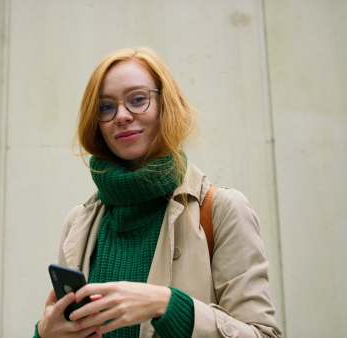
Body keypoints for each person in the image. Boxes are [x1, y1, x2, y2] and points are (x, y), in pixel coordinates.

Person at [35, 47, 282, 338]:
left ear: (167, 106)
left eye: (138, 99)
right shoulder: (78, 222)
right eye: (105, 107)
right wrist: (45, 334)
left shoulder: (222, 209)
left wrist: (168, 305)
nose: (122, 116)